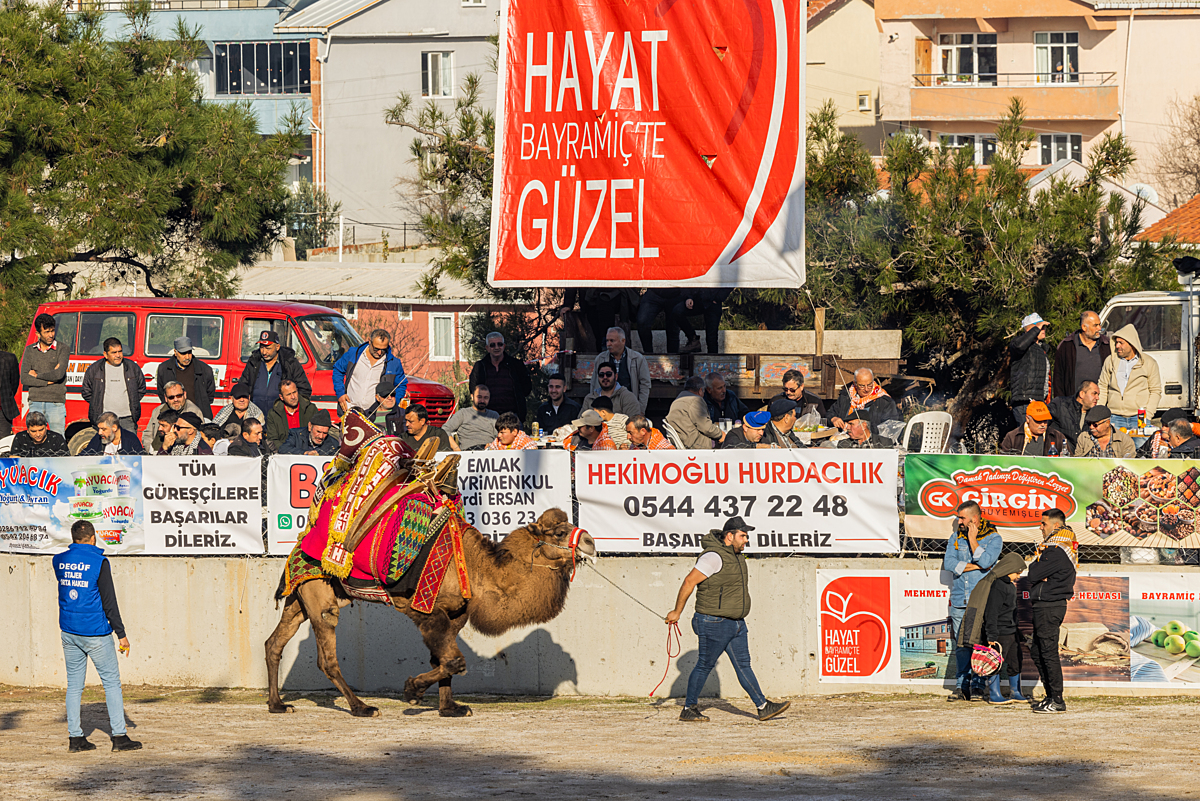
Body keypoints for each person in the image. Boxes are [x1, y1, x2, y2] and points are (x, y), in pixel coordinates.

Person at [665, 516, 790, 722]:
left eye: (746, 536)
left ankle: (763, 706)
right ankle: (689, 708)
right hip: (713, 621)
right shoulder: (713, 557)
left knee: (743, 665)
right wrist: (677, 611)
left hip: (736, 622)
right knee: (705, 664)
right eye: (743, 535)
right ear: (729, 536)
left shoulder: (736, 555)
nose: (746, 540)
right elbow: (689, 582)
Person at [54, 519, 142, 753]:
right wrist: (121, 634)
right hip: (95, 633)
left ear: (73, 538)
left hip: (69, 631)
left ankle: (75, 738)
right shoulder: (99, 562)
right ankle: (120, 736)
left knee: (74, 686)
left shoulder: (59, 560)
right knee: (111, 684)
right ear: (93, 538)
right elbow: (109, 602)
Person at [942, 500, 1002, 702]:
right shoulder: (955, 538)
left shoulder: (994, 538)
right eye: (958, 518)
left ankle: (978, 685)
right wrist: (976, 567)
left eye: (962, 518)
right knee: (962, 645)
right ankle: (962, 686)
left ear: (974, 519)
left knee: (980, 644)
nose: (959, 521)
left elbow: (986, 561)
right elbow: (949, 564)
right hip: (959, 599)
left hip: (981, 600)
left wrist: (973, 539)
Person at [958, 552, 1028, 706]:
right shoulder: (997, 586)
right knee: (994, 663)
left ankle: (1015, 691)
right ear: (1010, 569)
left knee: (1015, 661)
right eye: (1018, 572)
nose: (1018, 576)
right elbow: (992, 612)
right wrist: (991, 634)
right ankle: (995, 695)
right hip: (999, 632)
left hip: (1011, 632)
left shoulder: (1009, 586)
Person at [1027, 508, 1078, 714]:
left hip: (1050, 604)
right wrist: (1039, 568)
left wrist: (1038, 568)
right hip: (1045, 603)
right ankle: (1050, 696)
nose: (1040, 527)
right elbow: (1036, 571)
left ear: (1056, 525)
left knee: (1047, 652)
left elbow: (1033, 572)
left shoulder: (1057, 548)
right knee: (1037, 651)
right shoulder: (1055, 546)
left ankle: (1057, 700)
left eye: (1044, 524)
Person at [1098, 324, 1161, 441]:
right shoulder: (1110, 361)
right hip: (1114, 417)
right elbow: (1102, 387)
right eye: (1116, 342)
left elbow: (1155, 391)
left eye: (1121, 343)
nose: (1117, 346)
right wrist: (1100, 413)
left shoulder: (1148, 362)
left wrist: (1148, 414)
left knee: (1141, 452)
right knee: (1115, 452)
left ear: (1131, 344)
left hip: (1139, 418)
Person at [333, 328, 407, 414]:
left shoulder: (394, 363)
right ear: (369, 341)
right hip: (349, 410)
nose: (379, 352)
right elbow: (337, 370)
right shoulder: (353, 354)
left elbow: (401, 385)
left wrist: (391, 405)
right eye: (376, 349)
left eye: (383, 349)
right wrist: (340, 393)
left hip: (375, 415)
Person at [20, 312, 71, 436]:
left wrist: (37, 375)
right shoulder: (29, 350)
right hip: (35, 402)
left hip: (55, 402)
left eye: (52, 331)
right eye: (47, 332)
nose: (51, 335)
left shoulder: (62, 349)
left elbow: (58, 375)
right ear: (38, 333)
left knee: (58, 440)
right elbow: (24, 378)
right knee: (34, 440)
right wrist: (48, 380)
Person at [236, 330, 311, 413]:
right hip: (255, 417)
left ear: (277, 347)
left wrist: (293, 410)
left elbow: (304, 390)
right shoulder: (253, 362)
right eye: (261, 347)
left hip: (280, 418)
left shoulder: (289, 363)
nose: (264, 352)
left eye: (268, 348)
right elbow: (242, 387)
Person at [81, 338, 145, 432]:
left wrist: (132, 401)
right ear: (105, 354)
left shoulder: (132, 367)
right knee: (106, 446)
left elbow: (141, 388)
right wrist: (98, 404)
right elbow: (86, 392)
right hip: (105, 419)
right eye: (114, 352)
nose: (118, 355)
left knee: (129, 446)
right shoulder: (94, 369)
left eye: (120, 351)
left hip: (128, 419)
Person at [468, 332, 533, 421]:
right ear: (487, 348)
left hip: (512, 417)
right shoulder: (480, 366)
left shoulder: (516, 365)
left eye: (500, 344)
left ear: (504, 346)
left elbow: (527, 389)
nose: (496, 347)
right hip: (487, 417)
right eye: (492, 345)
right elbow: (473, 390)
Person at [589, 327, 651, 415]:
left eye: (612, 341)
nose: (608, 344)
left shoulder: (637, 358)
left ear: (623, 341)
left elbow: (645, 385)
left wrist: (640, 409)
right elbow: (594, 383)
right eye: (607, 341)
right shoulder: (601, 358)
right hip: (605, 408)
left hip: (628, 406)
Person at [1052, 311, 1110, 400]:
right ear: (1084, 327)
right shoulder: (1067, 346)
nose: (1099, 328)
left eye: (1099, 324)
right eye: (1095, 325)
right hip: (1073, 405)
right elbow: (1058, 379)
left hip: (1100, 404)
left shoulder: (1107, 345)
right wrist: (1061, 405)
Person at [1008, 312, 1051, 425]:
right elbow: (1019, 345)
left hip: (1039, 402)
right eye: (1041, 327)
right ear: (1030, 329)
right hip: (1025, 402)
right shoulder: (1017, 343)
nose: (1043, 329)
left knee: (1038, 438)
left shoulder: (1041, 349)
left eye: (1044, 327)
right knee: (1027, 437)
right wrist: (1037, 328)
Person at [156, 337, 216, 417]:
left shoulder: (204, 369)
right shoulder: (164, 369)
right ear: (175, 352)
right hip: (173, 416)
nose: (187, 357)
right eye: (183, 353)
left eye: (189, 352)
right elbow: (162, 393)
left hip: (198, 416)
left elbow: (210, 395)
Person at [142, 381, 207, 453]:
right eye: (171, 397)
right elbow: (148, 434)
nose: (176, 400)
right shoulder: (158, 411)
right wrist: (151, 452)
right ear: (166, 398)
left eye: (179, 396)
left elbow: (201, 437)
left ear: (184, 395)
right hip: (156, 452)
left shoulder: (194, 412)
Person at [829, 368, 899, 434]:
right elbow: (830, 413)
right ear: (855, 384)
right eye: (862, 386)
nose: (866, 389)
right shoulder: (846, 396)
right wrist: (833, 418)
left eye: (869, 385)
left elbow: (890, 428)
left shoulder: (885, 401)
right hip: (844, 438)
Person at [665, 376, 726, 449]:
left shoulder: (677, 400)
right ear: (700, 390)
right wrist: (721, 434)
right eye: (703, 392)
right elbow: (706, 427)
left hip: (683, 440)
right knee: (728, 442)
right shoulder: (695, 400)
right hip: (695, 443)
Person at [999, 401, 1069, 456]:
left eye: (1045, 421)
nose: (1043, 424)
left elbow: (1069, 462)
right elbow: (1003, 464)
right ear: (1028, 419)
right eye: (1038, 421)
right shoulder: (1012, 437)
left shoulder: (1057, 437)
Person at [673, 288, 731, 354]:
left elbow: (730, 282)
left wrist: (719, 297)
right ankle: (693, 339)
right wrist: (688, 297)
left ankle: (712, 361)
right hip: (697, 299)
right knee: (677, 311)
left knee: (712, 338)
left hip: (713, 302)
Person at [443, 385, 499, 451]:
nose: (482, 401)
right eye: (479, 397)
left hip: (489, 452)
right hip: (468, 452)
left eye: (486, 398)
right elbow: (445, 429)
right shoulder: (463, 413)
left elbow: (501, 435)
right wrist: (457, 450)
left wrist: (493, 445)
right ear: (472, 397)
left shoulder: (494, 415)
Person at [1048, 380, 1099, 451]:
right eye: (1094, 393)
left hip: (1082, 459)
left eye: (1098, 395)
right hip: (1059, 457)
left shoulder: (1095, 414)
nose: (1097, 398)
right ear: (1082, 394)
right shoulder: (1060, 404)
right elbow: (1043, 423)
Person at [265, 380, 318, 447]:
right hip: (284, 453)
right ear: (281, 397)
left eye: (294, 392)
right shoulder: (273, 414)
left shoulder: (310, 409)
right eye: (288, 394)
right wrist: (288, 451)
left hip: (308, 451)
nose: (293, 397)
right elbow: (273, 440)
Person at [635, 288, 684, 353]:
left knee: (673, 329)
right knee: (642, 321)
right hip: (654, 291)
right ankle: (648, 354)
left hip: (676, 293)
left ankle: (673, 358)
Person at [80, 412, 145, 456]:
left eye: (103, 429)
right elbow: (85, 454)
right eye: (99, 429)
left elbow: (139, 461)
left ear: (114, 427)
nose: (100, 432)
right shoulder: (99, 438)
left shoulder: (131, 439)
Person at [0, 346, 18, 438]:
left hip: (3, 411)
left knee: (2, 443)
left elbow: (14, 383)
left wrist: (6, 398)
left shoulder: (9, 359)